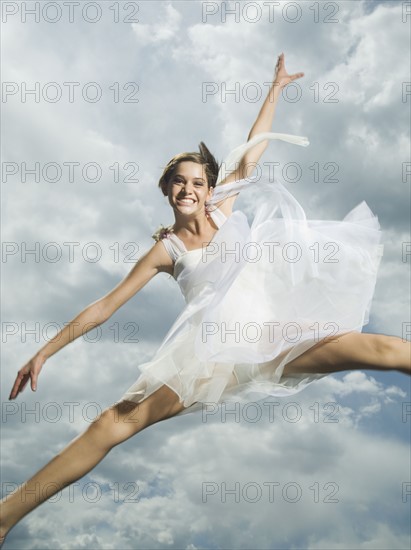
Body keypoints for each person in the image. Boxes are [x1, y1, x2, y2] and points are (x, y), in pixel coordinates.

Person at [0, 53, 409, 548]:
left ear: (210, 189)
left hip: (279, 338)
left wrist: (276, 88)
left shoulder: (224, 209)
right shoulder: (165, 250)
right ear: (167, 191)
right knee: (113, 423)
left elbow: (251, 152)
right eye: (180, 182)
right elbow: (105, 307)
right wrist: (45, 350)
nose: (189, 189)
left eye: (198, 182)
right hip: (212, 356)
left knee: (383, 351)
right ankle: (5, 516)